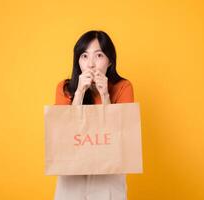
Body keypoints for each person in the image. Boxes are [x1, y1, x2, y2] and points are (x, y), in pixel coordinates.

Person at [54, 30, 134, 200]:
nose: (90, 64)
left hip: (109, 173)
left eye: (98, 55)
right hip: (71, 173)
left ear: (110, 60)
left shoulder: (123, 87)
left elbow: (120, 134)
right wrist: (79, 93)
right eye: (84, 56)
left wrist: (105, 95)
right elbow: (64, 132)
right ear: (78, 61)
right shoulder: (64, 88)